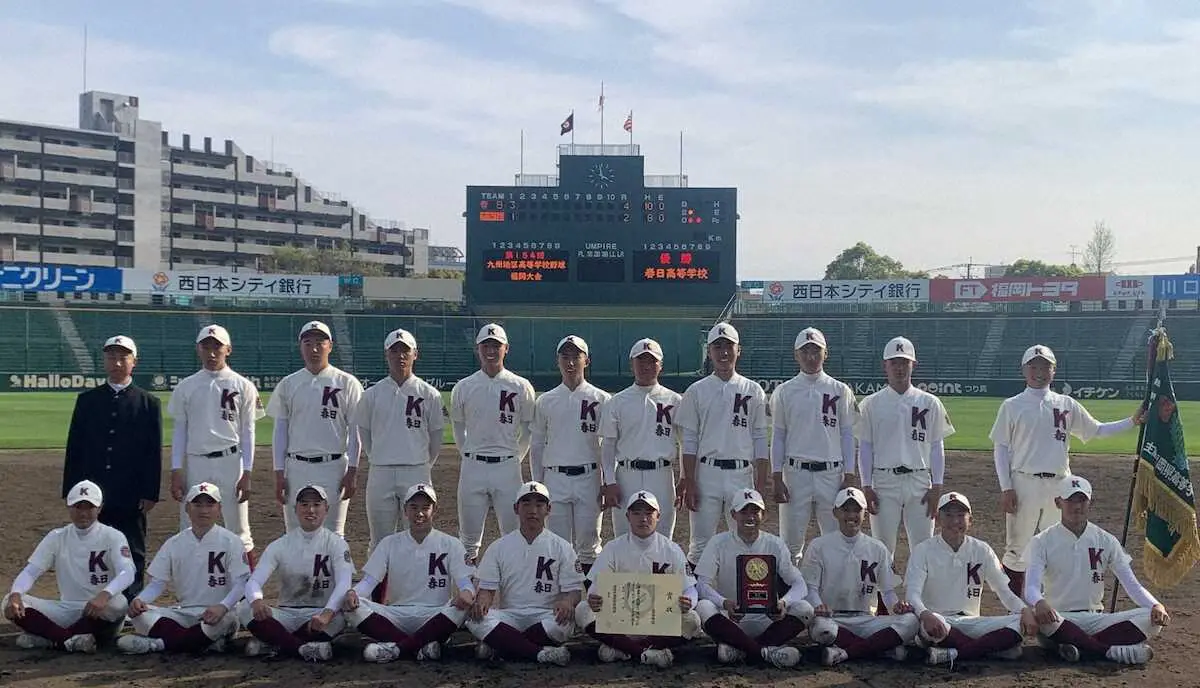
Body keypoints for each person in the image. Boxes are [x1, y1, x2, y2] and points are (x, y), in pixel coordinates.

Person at [990, 344, 1144, 596]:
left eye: (1045, 367)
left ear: (1054, 370)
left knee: (1057, 543)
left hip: (1060, 485)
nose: (1039, 372)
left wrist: (1132, 422)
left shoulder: (1066, 404)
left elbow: (1096, 430)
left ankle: (1052, 602)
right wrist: (1006, 487)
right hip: (1024, 481)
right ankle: (1016, 608)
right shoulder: (1012, 405)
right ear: (1024, 370)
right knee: (1017, 548)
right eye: (1033, 367)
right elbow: (1001, 448)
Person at [1023, 476, 1167, 665]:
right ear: (1058, 503)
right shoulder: (1041, 541)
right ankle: (1107, 651)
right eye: (1070, 500)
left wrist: (1155, 605)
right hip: (1058, 617)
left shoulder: (1106, 540)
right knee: (1039, 616)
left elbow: (1132, 584)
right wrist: (1039, 602)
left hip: (1096, 618)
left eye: (1082, 500)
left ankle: (1077, 647)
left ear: (1090, 502)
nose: (1077, 506)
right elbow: (1031, 587)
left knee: (1152, 619)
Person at [62, 334, 162, 598]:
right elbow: (75, 447)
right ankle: (90, 595)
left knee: (132, 546)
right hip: (92, 488)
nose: (117, 363)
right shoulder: (87, 400)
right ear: (104, 360)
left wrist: (150, 492)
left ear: (134, 362)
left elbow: (153, 452)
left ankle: (131, 600)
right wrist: (71, 489)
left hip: (130, 489)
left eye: (123, 357)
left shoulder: (148, 403)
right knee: (92, 544)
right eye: (111, 357)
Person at [343, 483, 475, 663]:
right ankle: (421, 646)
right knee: (350, 606)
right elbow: (369, 582)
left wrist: (466, 592)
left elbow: (465, 583)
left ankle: (397, 649)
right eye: (413, 507)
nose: (419, 513)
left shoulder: (451, 544)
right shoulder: (389, 543)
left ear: (434, 510)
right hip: (396, 614)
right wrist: (353, 593)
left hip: (435, 613)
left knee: (463, 607)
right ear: (405, 510)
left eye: (425, 508)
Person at [905, 491, 1038, 667]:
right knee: (929, 627)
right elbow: (912, 595)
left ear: (970, 520)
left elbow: (1004, 591)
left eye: (961, 515)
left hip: (972, 621)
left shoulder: (982, 549)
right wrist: (925, 614)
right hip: (938, 620)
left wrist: (1024, 609)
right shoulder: (923, 550)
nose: (955, 521)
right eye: (948, 515)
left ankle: (954, 654)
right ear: (937, 519)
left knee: (1018, 622)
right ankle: (992, 648)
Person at [856, 336, 954, 571]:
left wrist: (937, 486)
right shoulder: (871, 404)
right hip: (884, 480)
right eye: (894, 363)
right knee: (882, 549)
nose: (899, 368)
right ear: (885, 365)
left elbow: (936, 446)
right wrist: (866, 485)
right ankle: (883, 595)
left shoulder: (930, 402)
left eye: (904, 362)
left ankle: (920, 594)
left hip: (919, 480)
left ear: (913, 365)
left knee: (923, 547)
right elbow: (865, 447)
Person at [168, 324, 264, 562]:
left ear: (228, 349)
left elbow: (248, 432)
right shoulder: (186, 386)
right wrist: (176, 469)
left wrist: (247, 471)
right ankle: (192, 581)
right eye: (206, 347)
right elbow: (180, 432)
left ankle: (245, 584)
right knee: (190, 526)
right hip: (196, 461)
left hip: (230, 460)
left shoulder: (243, 385)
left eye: (217, 347)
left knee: (239, 529)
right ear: (198, 349)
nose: (211, 353)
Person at [116, 482, 249, 654]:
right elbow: (157, 583)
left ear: (219, 508)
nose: (204, 510)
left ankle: (159, 644)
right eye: (197, 504)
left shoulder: (232, 541)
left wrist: (222, 607)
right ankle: (203, 643)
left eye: (210, 504)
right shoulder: (174, 543)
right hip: (185, 612)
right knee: (140, 615)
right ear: (187, 508)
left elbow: (241, 583)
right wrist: (141, 600)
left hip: (220, 612)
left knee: (228, 619)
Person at [676, 323, 769, 568]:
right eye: (717, 346)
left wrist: (760, 483)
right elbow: (689, 440)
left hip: (741, 473)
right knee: (700, 543)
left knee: (744, 539)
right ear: (709, 352)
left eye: (729, 346)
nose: (723, 352)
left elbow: (760, 438)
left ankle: (740, 590)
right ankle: (698, 591)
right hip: (707, 473)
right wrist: (689, 479)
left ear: (739, 350)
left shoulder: (753, 390)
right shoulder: (696, 390)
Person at [3, 480, 134, 653]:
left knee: (118, 603)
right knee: (8, 601)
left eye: (89, 507)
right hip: (66, 610)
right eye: (78, 507)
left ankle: (53, 638)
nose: (83, 513)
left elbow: (128, 571)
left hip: (100, 612)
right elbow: (31, 571)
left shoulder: (113, 536)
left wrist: (104, 594)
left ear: (100, 508)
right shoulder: (57, 536)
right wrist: (16, 594)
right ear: (69, 507)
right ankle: (68, 640)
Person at [576, 490, 701, 668]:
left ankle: (622, 649)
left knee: (693, 619)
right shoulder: (613, 548)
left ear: (658, 516)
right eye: (636, 513)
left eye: (649, 513)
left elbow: (690, 588)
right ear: (628, 516)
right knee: (583, 609)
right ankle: (647, 653)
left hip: (659, 622)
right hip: (621, 622)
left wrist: (689, 601)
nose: (643, 519)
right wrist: (594, 596)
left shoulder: (672, 549)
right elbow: (596, 585)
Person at [466, 481, 581, 666]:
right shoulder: (499, 546)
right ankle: (539, 653)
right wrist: (482, 602)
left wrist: (567, 602)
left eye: (539, 505)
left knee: (564, 623)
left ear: (548, 509)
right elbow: (487, 589)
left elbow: (574, 591)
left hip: (546, 615)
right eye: (526, 504)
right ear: (516, 508)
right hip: (510, 615)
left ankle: (502, 645)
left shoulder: (562, 547)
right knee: (474, 620)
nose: (532, 511)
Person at [693, 489, 811, 668]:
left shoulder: (775, 544)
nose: (750, 517)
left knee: (804, 608)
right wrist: (724, 603)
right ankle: (764, 653)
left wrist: (783, 603)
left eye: (755, 511)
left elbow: (800, 585)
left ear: (764, 514)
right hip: (732, 619)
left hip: (768, 620)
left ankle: (741, 650)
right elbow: (702, 584)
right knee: (703, 607)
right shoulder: (718, 542)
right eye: (744, 511)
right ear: (733, 514)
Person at [802, 487, 918, 666]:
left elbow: (887, 592)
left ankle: (845, 653)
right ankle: (881, 649)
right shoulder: (818, 546)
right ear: (835, 512)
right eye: (845, 510)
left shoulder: (878, 548)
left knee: (911, 621)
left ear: (865, 513)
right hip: (832, 618)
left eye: (857, 510)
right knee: (822, 629)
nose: (851, 515)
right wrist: (818, 606)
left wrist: (896, 606)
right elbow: (810, 589)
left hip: (867, 619)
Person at [268, 320, 364, 536]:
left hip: (334, 466)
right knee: (295, 532)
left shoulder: (347, 383)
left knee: (333, 533)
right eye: (308, 343)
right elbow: (280, 432)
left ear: (330, 346)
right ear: (300, 346)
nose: (314, 349)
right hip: (297, 467)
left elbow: (355, 431)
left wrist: (352, 471)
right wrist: (279, 472)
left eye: (320, 343)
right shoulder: (288, 384)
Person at [770, 326, 858, 562]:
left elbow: (847, 435)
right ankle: (792, 586)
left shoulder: (840, 390)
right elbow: (778, 436)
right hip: (795, 473)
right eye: (805, 351)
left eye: (816, 351)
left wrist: (849, 474)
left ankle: (832, 585)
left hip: (831, 473)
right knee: (790, 544)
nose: (810, 356)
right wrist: (776, 475)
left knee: (834, 540)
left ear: (825, 353)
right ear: (796, 355)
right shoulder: (784, 391)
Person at [451, 323, 536, 564]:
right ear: (477, 349)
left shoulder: (520, 386)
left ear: (506, 348)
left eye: (496, 346)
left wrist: (515, 457)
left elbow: (528, 429)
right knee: (468, 539)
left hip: (507, 467)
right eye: (486, 345)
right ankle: (468, 583)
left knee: (512, 534)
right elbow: (458, 427)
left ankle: (513, 583)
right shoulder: (464, 387)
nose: (491, 350)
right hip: (473, 467)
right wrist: (468, 453)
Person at [238, 484, 354, 662]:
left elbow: (344, 583)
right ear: (295, 509)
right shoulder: (280, 545)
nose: (310, 510)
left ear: (326, 509)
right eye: (304, 504)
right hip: (286, 613)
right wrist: (257, 600)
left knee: (341, 617)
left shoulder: (337, 544)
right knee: (245, 607)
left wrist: (327, 613)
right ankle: (301, 648)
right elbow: (254, 581)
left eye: (316, 504)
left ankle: (276, 644)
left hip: (320, 613)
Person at [353, 327, 444, 552]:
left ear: (415, 354)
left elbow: (436, 436)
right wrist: (378, 457)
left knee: (418, 535)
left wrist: (423, 463)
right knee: (380, 539)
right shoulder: (372, 395)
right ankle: (380, 576)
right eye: (394, 351)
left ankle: (416, 575)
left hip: (416, 470)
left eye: (405, 351)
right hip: (381, 471)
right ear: (386, 354)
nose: (400, 356)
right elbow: (364, 433)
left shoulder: (429, 394)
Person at [531, 335, 611, 573]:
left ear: (587, 360)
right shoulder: (545, 401)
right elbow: (537, 444)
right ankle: (561, 593)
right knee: (557, 543)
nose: (571, 362)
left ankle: (590, 594)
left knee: (589, 543)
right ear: (558, 361)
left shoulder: (602, 399)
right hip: (555, 477)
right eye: (565, 356)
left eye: (576, 356)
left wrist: (608, 481)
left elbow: (609, 445)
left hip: (589, 476)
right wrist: (538, 483)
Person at [599, 338, 681, 539]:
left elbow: (686, 443)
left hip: (661, 474)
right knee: (624, 536)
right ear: (631, 364)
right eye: (640, 360)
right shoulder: (617, 401)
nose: (646, 366)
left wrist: (685, 478)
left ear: (661, 365)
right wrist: (609, 481)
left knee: (662, 537)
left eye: (652, 361)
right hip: (627, 474)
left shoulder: (674, 400)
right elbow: (608, 446)